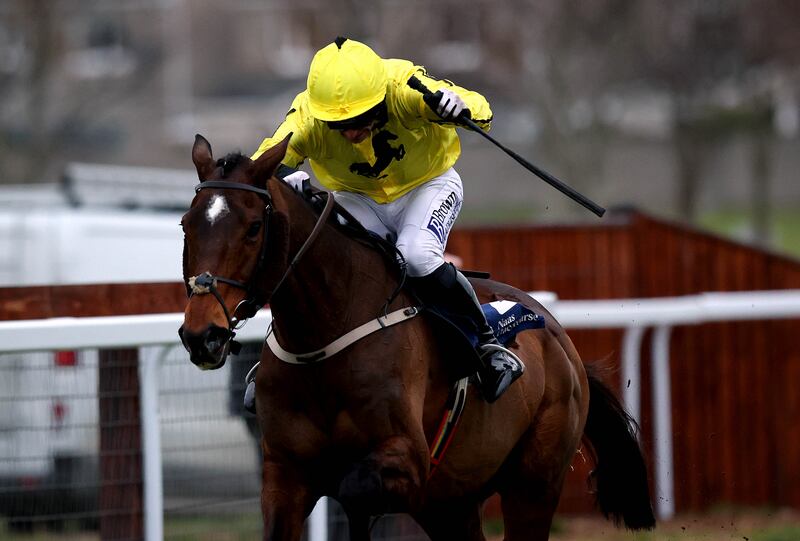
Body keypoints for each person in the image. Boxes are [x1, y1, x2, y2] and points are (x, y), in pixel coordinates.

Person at [252, 37, 523, 403]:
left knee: (414, 255)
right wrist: (282, 175)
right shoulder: (308, 116)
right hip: (359, 197)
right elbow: (262, 163)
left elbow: (482, 110)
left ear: (380, 99)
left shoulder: (405, 86)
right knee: (325, 258)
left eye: (360, 119)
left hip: (428, 185)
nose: (350, 132)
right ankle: (277, 357)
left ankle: (488, 347)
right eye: (339, 124)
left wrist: (458, 107)